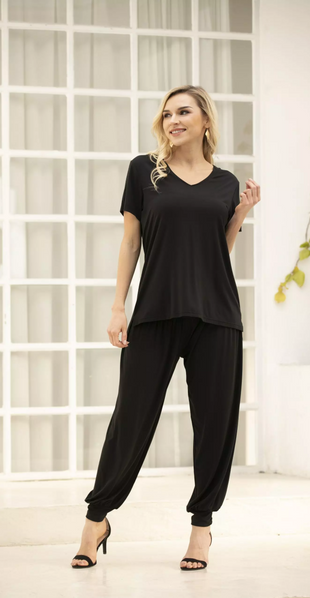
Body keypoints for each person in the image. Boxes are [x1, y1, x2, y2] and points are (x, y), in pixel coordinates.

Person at [71, 84, 260, 570]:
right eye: (167, 113)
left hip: (216, 316)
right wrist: (119, 306)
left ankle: (201, 530)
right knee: (130, 420)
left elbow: (218, 251)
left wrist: (240, 212)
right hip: (155, 312)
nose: (173, 120)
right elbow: (131, 242)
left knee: (214, 426)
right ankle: (96, 520)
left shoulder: (226, 183)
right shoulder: (144, 171)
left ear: (205, 121)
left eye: (184, 112)